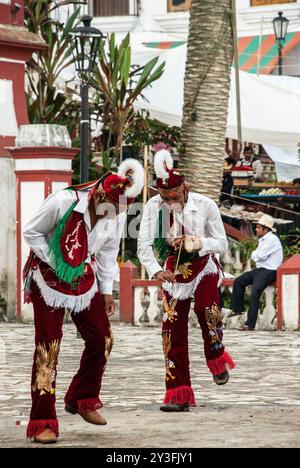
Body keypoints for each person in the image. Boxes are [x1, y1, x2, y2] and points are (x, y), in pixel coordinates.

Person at [23, 159, 144, 444]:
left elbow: (107, 252)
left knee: (102, 339)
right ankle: (43, 421)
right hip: (48, 276)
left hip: (84, 278)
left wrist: (106, 291)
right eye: (112, 210)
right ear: (100, 196)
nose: (114, 216)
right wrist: (59, 261)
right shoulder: (63, 202)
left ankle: (82, 397)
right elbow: (31, 232)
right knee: (48, 346)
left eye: (120, 212)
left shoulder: (118, 212)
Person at [137, 150, 235, 413]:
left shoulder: (206, 205)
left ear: (185, 189)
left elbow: (222, 243)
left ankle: (216, 357)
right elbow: (143, 245)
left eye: (175, 197)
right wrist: (157, 270)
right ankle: (178, 393)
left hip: (204, 265)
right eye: (165, 198)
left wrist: (198, 242)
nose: (170, 203)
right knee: (171, 329)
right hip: (173, 270)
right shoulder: (152, 207)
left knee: (206, 310)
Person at [228, 214, 283, 331]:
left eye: (258, 227)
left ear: (266, 229)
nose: (256, 229)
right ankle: (237, 309)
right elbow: (255, 256)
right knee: (238, 281)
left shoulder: (272, 240)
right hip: (260, 270)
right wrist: (257, 255)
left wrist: (257, 255)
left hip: (269, 271)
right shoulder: (263, 240)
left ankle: (250, 324)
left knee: (255, 293)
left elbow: (259, 256)